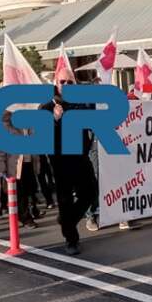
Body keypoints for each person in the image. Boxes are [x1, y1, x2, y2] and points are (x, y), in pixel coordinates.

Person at [41, 67, 98, 256]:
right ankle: (71, 239)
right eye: (62, 82)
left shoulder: (83, 102)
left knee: (90, 192)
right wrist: (55, 120)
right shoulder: (46, 106)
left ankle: (68, 220)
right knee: (65, 199)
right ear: (56, 83)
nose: (66, 85)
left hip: (80, 156)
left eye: (70, 82)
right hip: (60, 160)